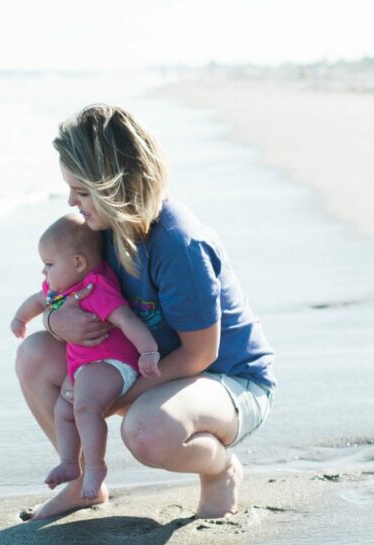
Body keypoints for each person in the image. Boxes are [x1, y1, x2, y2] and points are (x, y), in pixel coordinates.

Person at [15, 104, 276, 521]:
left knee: (145, 432)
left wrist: (109, 399)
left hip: (227, 381)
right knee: (33, 355)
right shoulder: (95, 230)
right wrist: (54, 320)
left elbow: (199, 355)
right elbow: (56, 294)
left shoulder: (178, 244)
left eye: (82, 191)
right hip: (142, 365)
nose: (71, 201)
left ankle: (220, 468)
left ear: (114, 186)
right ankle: (83, 484)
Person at [11, 214, 162, 499]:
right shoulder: (61, 289)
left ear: (78, 263)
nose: (44, 273)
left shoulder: (95, 287)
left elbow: (127, 319)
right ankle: (70, 464)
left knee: (84, 408)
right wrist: (21, 319)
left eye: (49, 265)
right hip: (83, 366)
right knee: (63, 411)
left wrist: (148, 351)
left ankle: (95, 467)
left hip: (111, 362)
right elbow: (37, 301)